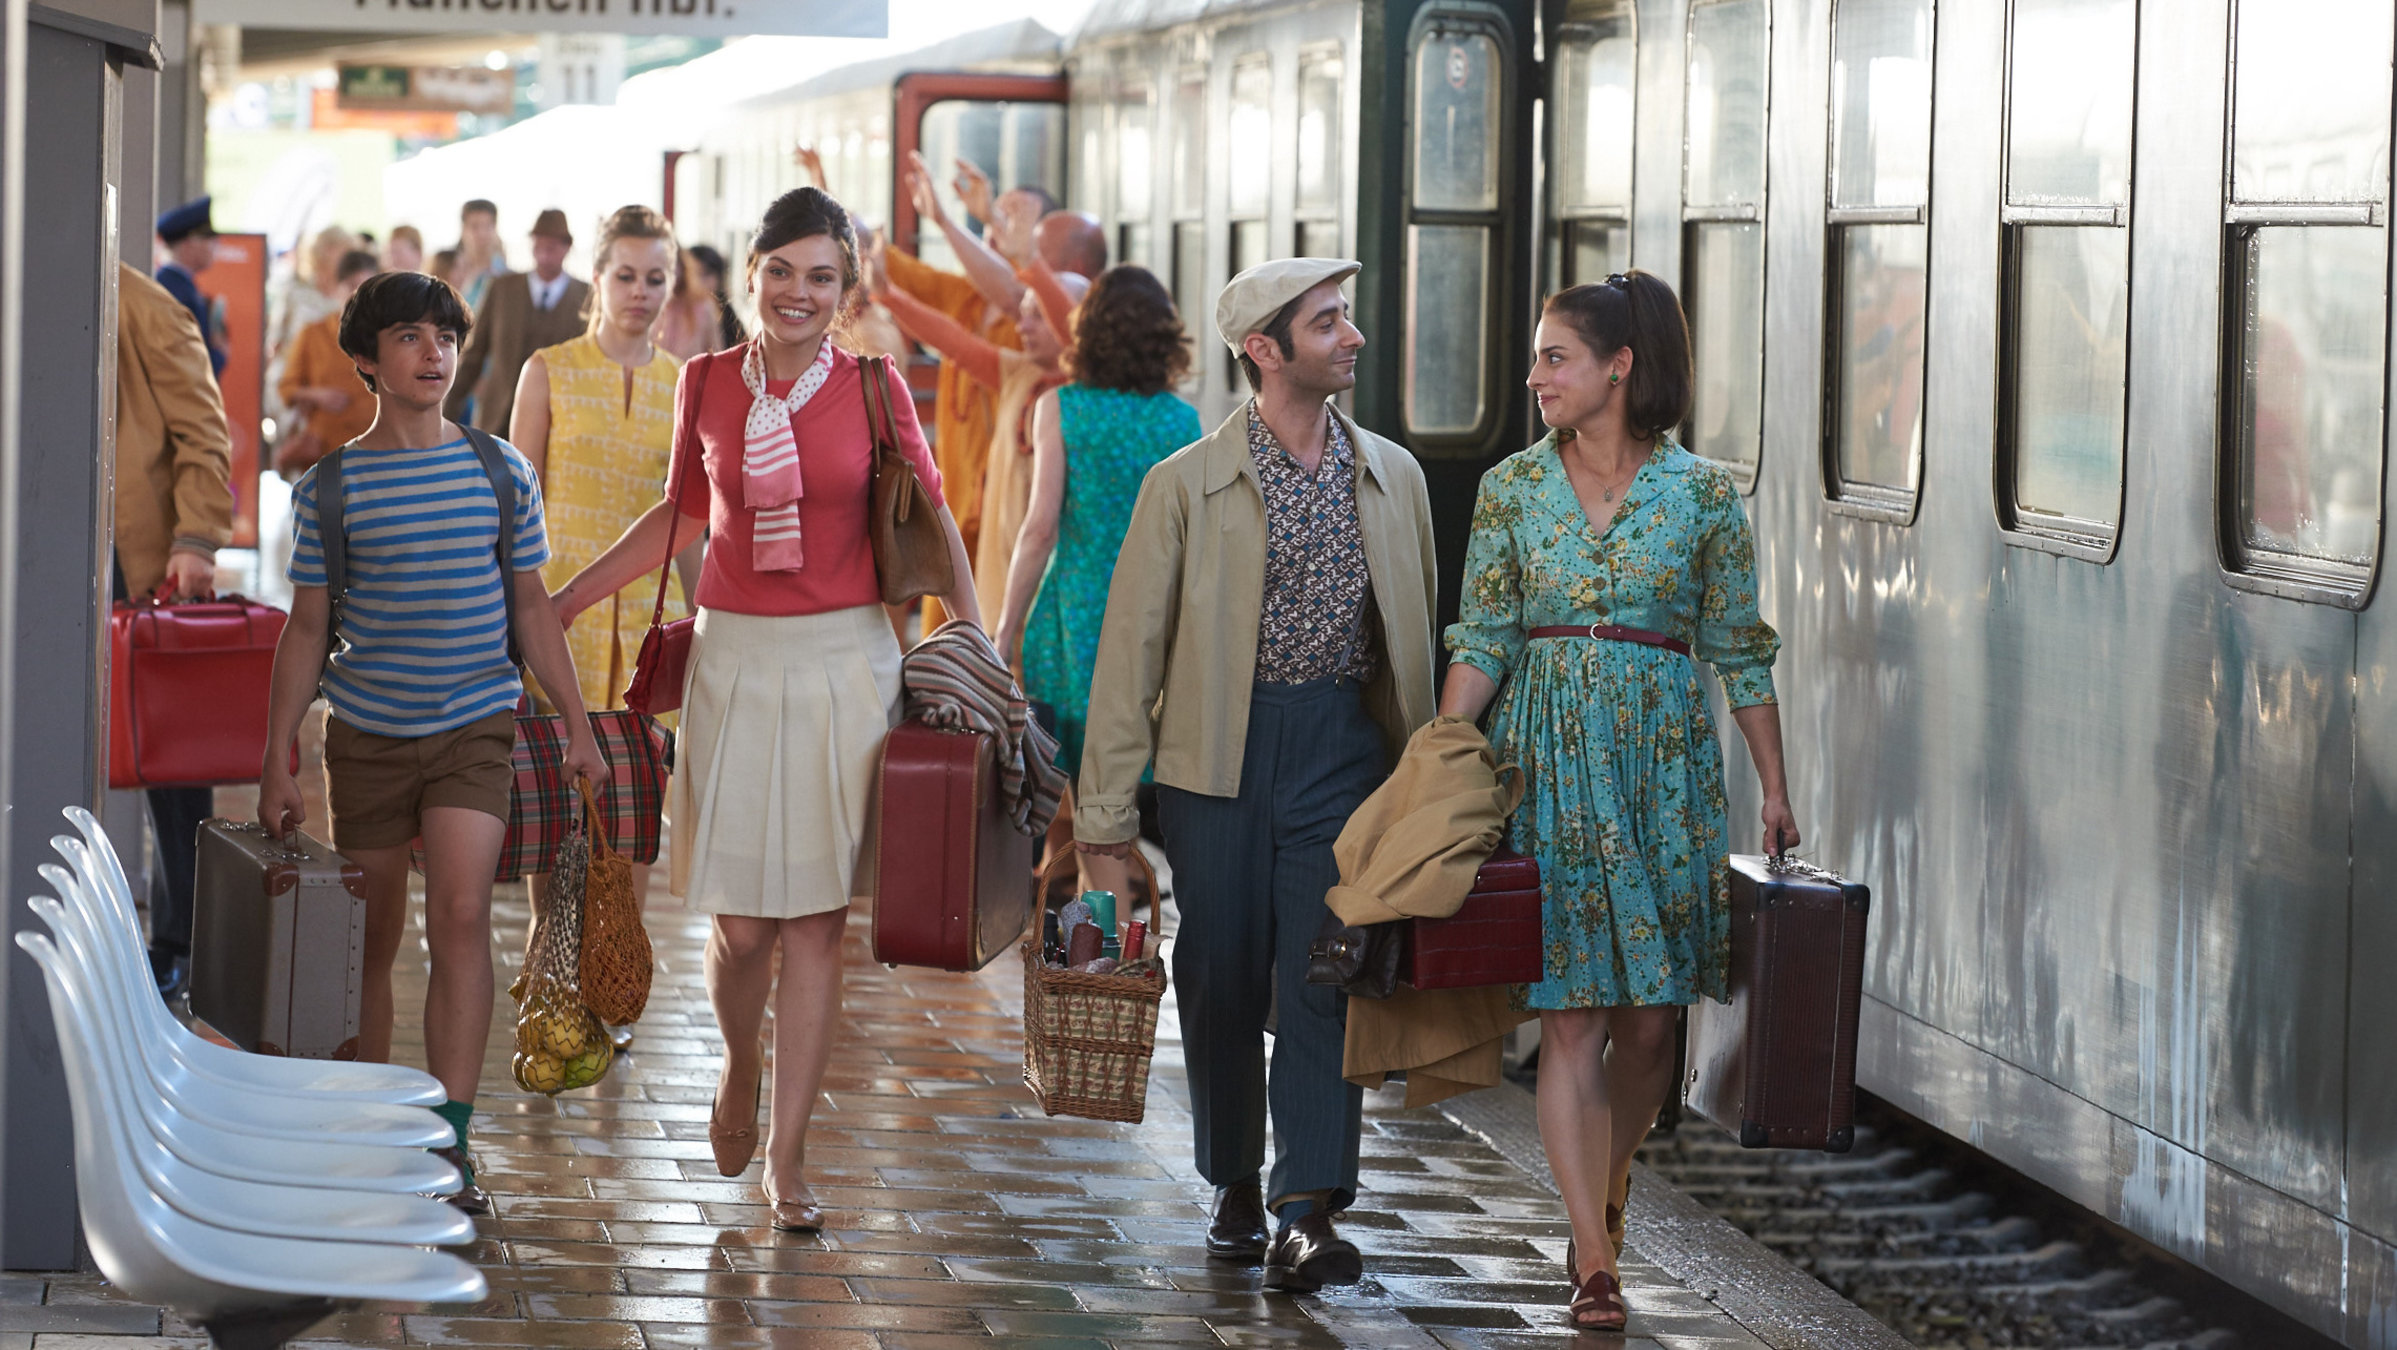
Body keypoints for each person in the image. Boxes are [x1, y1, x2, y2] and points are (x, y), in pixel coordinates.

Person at [553, 187, 979, 1234]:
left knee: (817, 926)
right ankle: (739, 1065)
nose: (798, 293)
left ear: (844, 289)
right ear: (749, 276)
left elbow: (933, 524)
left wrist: (975, 644)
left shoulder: (878, 391)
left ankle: (790, 1157)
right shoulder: (703, 385)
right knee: (743, 932)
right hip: (733, 664)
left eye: (820, 276)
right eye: (780, 271)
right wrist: (565, 599)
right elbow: (679, 516)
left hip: (847, 667)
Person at [1437, 273, 1795, 1331]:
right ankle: (1594, 1257)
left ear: (1620, 367)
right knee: (1572, 1018)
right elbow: (1485, 637)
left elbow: (1740, 648)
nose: (1538, 375)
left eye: (1557, 357)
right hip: (1545, 759)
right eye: (1540, 358)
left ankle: (1609, 1179)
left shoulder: (1701, 497)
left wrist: (1775, 787)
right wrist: (1446, 752)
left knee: (1649, 1026)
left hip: (1663, 771)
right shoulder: (1509, 490)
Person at [1075, 258, 1438, 1293]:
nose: (1353, 337)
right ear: (1265, 351)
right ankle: (1236, 1179)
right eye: (1329, 324)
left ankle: (1305, 1206)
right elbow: (1130, 653)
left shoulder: (1396, 478)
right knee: (1221, 974)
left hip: (1343, 753)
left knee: (1332, 969)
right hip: (1213, 763)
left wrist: (1430, 790)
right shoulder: (1184, 485)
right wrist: (1104, 817)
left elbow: (1409, 644)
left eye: (1348, 318)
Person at [255, 270, 608, 1216]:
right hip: (366, 736)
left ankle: (448, 1146)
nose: (434, 352)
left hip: (474, 730)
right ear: (368, 361)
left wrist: (576, 727)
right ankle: (378, 1130)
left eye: (444, 335)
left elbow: (531, 608)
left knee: (458, 918)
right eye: (409, 337)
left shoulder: (499, 471)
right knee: (373, 940)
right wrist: (276, 752)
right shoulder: (329, 490)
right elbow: (306, 629)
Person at [991, 264, 1194, 895]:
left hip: (1071, 620)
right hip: (1153, 622)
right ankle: (1092, 946)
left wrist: (1005, 628)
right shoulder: (1182, 422)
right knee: (1116, 791)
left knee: (1089, 795)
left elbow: (1041, 527)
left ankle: (1096, 961)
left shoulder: (1062, 408)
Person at [509, 203, 695, 867]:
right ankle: (551, 968)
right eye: (625, 276)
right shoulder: (548, 370)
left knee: (632, 827)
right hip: (557, 617)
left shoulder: (686, 385)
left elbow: (693, 523)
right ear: (597, 279)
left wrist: (703, 622)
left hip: (653, 622)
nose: (640, 293)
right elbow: (516, 506)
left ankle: (620, 974)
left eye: (655, 278)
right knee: (555, 827)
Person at [886, 151, 1097, 628]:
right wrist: (884, 293)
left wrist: (950, 221)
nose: (1024, 321)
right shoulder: (1021, 366)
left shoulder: (1083, 373)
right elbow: (955, 343)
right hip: (968, 512)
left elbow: (1022, 301)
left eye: (1016, 221)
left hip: (1036, 558)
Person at [113, 261, 235, 998]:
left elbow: (204, 431)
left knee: (173, 767)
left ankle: (181, 941)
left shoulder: (147, 307)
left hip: (144, 565)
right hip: (52, 560)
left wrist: (196, 537)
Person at [449, 209, 590, 433]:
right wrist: (445, 413)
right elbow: (475, 355)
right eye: (539, 243)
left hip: (561, 424)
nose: (545, 252)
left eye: (552, 245)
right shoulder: (503, 287)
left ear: (566, 247)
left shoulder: (586, 296)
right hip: (498, 419)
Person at [274, 249, 381, 474]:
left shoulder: (388, 338)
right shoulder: (313, 333)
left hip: (376, 452)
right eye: (351, 285)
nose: (357, 295)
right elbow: (286, 388)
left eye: (366, 288)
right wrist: (317, 395)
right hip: (326, 455)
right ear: (336, 288)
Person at [153, 195, 225, 377]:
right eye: (208, 239)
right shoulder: (176, 291)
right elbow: (191, 365)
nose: (215, 246)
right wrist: (219, 353)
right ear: (189, 243)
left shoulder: (176, 284)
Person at [655, 247, 729, 361]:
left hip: (691, 376)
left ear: (682, 265)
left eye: (672, 264)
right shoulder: (652, 304)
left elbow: (717, 355)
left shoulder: (703, 306)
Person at [452, 198, 509, 310]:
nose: (482, 234)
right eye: (475, 226)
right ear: (463, 229)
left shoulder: (504, 275)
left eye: (488, 226)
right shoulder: (450, 268)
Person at [689, 244, 747, 350]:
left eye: (705, 274)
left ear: (719, 278)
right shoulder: (674, 314)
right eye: (693, 274)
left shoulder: (729, 319)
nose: (699, 281)